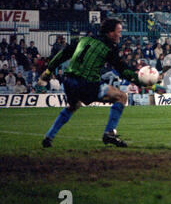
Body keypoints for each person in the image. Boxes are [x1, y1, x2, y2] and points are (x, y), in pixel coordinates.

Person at [39, 18, 164, 148]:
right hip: (87, 83)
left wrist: (48, 71)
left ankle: (49, 136)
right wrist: (150, 85)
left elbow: (62, 55)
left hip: (69, 82)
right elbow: (123, 71)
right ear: (110, 33)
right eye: (119, 32)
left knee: (73, 105)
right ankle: (109, 133)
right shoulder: (109, 47)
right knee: (122, 97)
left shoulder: (83, 40)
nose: (120, 35)